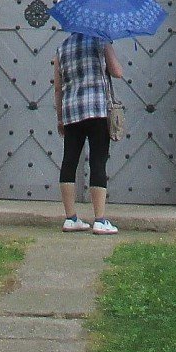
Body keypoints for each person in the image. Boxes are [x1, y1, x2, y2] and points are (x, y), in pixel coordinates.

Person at [53, 27, 124, 234]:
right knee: (98, 161)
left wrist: (60, 118)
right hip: (97, 110)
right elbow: (117, 72)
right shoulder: (101, 41)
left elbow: (58, 87)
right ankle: (100, 220)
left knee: (69, 160)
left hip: (71, 111)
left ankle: (70, 218)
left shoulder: (61, 48)